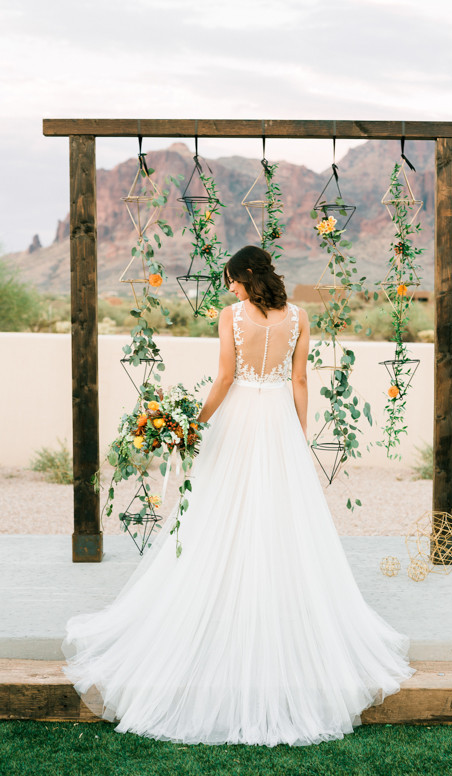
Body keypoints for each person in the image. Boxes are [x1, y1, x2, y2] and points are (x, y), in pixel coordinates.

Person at [62, 245, 416, 747]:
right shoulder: (299, 317)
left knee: (219, 514)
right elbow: (299, 380)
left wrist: (193, 425)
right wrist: (299, 432)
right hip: (279, 423)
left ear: (247, 278)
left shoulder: (231, 318)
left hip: (240, 419)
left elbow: (226, 378)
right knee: (280, 519)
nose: (227, 288)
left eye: (230, 279)